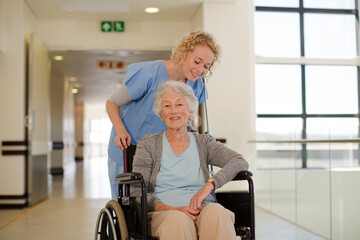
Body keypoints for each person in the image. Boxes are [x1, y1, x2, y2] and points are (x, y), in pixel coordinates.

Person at [106, 31, 221, 199]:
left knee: (156, 204)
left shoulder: (197, 85)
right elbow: (112, 103)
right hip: (128, 147)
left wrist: (192, 134)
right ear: (183, 53)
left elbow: (184, 120)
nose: (200, 70)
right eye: (197, 61)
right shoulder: (149, 74)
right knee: (127, 204)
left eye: (206, 66)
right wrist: (120, 130)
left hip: (160, 154)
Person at [131, 81, 249, 240]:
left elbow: (239, 161)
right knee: (179, 220)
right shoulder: (148, 144)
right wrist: (170, 208)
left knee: (219, 214)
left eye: (179, 104)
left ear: (190, 111)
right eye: (167, 106)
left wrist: (210, 185)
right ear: (161, 113)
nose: (173, 111)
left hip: (203, 208)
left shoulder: (204, 143)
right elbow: (137, 191)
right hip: (164, 213)